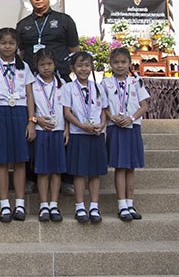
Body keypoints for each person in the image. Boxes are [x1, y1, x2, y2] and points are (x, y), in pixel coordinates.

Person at [16, 0, 80, 195]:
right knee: (32, 126)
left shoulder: (64, 21)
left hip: (59, 81)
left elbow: (74, 51)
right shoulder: (23, 25)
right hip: (33, 83)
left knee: (65, 128)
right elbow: (21, 56)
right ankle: (32, 177)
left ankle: (66, 178)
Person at [0, 28, 36, 222]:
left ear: (17, 46)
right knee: (2, 162)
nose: (7, 47)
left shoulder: (24, 67)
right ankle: (4, 204)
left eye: (11, 43)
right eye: (3, 43)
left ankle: (20, 204)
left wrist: (31, 121)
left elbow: (30, 95)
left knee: (20, 161)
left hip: (20, 113)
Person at [102, 47, 149, 221]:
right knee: (120, 167)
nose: (119, 65)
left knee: (131, 167)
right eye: (115, 62)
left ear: (130, 63)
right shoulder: (106, 83)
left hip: (132, 126)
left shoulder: (136, 81)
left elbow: (144, 106)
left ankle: (130, 203)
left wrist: (131, 118)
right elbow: (103, 106)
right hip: (115, 127)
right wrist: (112, 117)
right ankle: (121, 204)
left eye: (123, 62)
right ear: (110, 64)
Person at [63, 52, 108, 224]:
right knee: (79, 172)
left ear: (92, 67)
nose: (84, 69)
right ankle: (80, 206)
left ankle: (94, 206)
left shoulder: (98, 87)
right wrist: (81, 126)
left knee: (95, 173)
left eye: (87, 65)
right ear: (72, 68)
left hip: (95, 134)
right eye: (80, 66)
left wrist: (101, 125)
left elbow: (103, 110)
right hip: (78, 134)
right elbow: (67, 112)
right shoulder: (68, 88)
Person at [31, 49, 68, 222]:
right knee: (43, 170)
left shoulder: (62, 84)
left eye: (49, 64)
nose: (46, 68)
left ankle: (54, 204)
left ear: (55, 64)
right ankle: (44, 204)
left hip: (58, 130)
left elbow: (67, 109)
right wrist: (36, 119)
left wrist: (67, 129)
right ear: (37, 66)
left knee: (56, 170)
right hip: (41, 131)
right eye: (42, 65)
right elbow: (29, 110)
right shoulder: (33, 84)